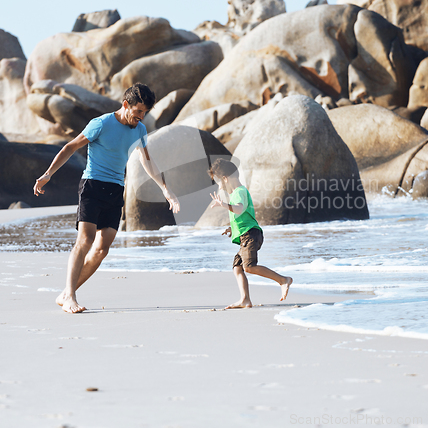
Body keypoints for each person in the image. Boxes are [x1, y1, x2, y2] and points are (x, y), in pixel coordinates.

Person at [33, 83, 179, 313]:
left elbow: (147, 161)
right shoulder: (101, 124)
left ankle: (66, 293)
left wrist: (165, 188)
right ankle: (70, 296)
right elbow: (71, 147)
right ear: (125, 105)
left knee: (102, 249)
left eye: (145, 113)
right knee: (86, 240)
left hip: (115, 190)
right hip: (92, 185)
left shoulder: (139, 130)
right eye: (138, 111)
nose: (141, 117)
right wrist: (47, 174)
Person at [208, 158, 292, 309]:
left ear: (225, 179)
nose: (220, 187)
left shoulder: (240, 192)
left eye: (219, 183)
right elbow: (241, 217)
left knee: (249, 267)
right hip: (246, 235)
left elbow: (239, 209)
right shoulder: (235, 193)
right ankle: (245, 299)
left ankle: (283, 280)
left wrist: (223, 204)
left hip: (251, 235)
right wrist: (232, 228)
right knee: (237, 267)